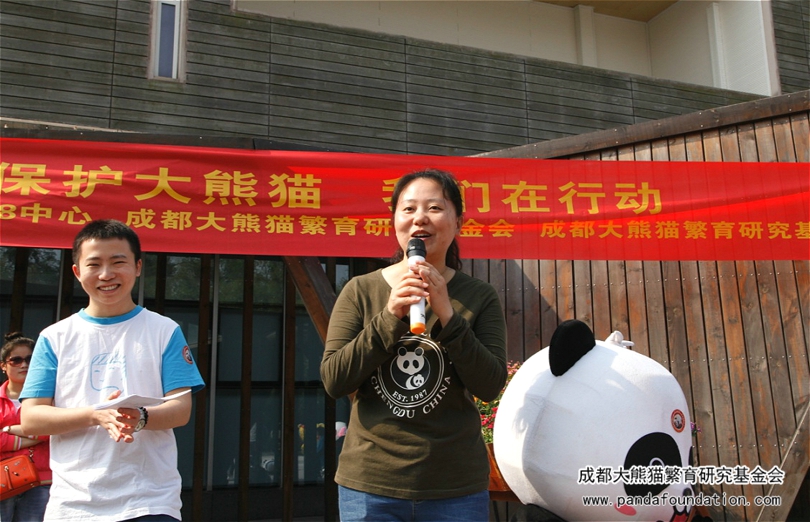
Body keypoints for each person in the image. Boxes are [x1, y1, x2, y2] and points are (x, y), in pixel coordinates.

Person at [321, 169, 507, 521]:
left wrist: (448, 315)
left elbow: (490, 384)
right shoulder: (360, 290)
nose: (420, 218)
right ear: (394, 221)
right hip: (371, 485)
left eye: (434, 208)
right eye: (408, 209)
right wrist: (390, 315)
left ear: (458, 221)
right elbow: (335, 380)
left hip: (456, 487)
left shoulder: (480, 296)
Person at [19, 219, 205, 522]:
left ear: (138, 267)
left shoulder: (164, 330)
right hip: (74, 505)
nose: (106, 274)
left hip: (150, 501)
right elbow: (31, 418)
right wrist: (96, 415)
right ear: (77, 271)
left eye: (118, 262)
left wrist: (139, 417)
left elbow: (180, 409)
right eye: (94, 264)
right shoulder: (54, 337)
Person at [1, 332, 51, 522]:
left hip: (41, 479)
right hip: (1, 479)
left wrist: (8, 430)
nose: (24, 365)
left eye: (30, 359)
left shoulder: (49, 398)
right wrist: (33, 435)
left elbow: (50, 431)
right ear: (3, 366)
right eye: (16, 360)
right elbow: (41, 431)